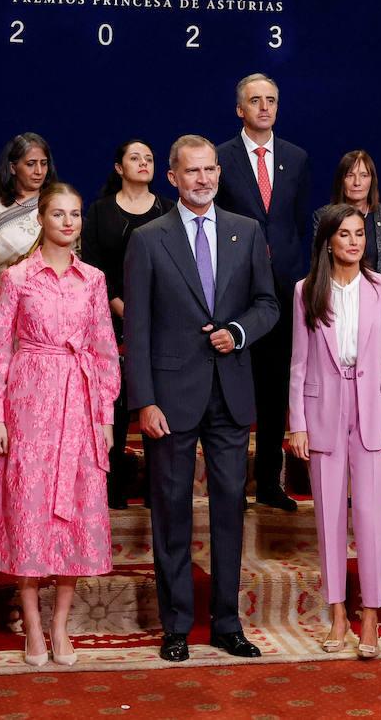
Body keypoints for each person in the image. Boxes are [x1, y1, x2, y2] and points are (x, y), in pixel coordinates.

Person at [124, 135, 280, 662]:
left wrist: (238, 332)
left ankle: (227, 624)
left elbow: (268, 304)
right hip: (170, 398)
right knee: (170, 510)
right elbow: (138, 329)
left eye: (210, 169)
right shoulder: (148, 239)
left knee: (231, 511)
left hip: (230, 394)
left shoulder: (246, 230)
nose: (204, 179)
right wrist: (144, 400)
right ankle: (176, 625)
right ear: (172, 176)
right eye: (192, 171)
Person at [0, 183, 120, 667]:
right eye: (59, 214)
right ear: (42, 220)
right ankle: (33, 624)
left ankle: (60, 626)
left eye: (75, 214)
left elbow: (104, 348)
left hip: (80, 400)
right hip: (29, 401)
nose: (69, 223)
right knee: (29, 511)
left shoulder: (93, 279)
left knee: (72, 511)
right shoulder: (17, 278)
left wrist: (106, 416)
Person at [287, 205, 381, 660]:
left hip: (374, 411)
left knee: (372, 519)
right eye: (344, 234)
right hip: (324, 414)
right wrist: (296, 422)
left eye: (359, 234)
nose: (354, 242)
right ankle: (337, 615)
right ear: (328, 242)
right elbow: (298, 362)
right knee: (329, 520)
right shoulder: (305, 290)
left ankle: (371, 617)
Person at [215, 73, 311, 512]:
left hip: (285, 287)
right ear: (240, 109)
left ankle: (270, 483)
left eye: (271, 99)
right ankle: (232, 484)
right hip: (236, 289)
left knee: (276, 387)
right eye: (255, 101)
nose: (264, 107)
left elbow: (295, 221)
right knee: (235, 387)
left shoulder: (296, 155)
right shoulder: (219, 158)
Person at [81, 140, 172, 509]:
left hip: (163, 322)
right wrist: (122, 308)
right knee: (115, 410)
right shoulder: (100, 212)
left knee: (159, 406)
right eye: (135, 158)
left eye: (149, 158)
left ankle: (156, 491)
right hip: (111, 320)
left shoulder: (169, 210)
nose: (143, 163)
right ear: (119, 167)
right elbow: (94, 267)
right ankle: (113, 492)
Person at [0, 133, 56, 356]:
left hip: (46, 307)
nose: (39, 171)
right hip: (0, 303)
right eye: (31, 164)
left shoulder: (56, 204)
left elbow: (74, 255)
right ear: (13, 168)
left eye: (43, 164)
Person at [310, 150, 381, 289]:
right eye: (350, 175)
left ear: (372, 180)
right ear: (341, 181)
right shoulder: (324, 216)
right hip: (336, 294)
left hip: (379, 298)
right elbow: (320, 266)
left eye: (364, 175)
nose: (357, 182)